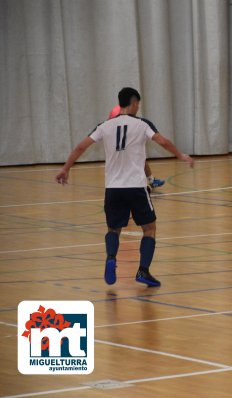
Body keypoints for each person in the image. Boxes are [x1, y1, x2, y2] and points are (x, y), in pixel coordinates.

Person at [55, 87, 194, 287]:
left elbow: (80, 147)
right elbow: (162, 141)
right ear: (134, 102)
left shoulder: (104, 126)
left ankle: (111, 257)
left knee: (114, 229)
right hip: (136, 186)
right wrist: (181, 155)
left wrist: (65, 169)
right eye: (138, 103)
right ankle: (143, 271)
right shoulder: (142, 124)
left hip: (113, 188)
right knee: (149, 229)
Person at [109, 105, 165, 190]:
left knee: (140, 158)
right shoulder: (118, 111)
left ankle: (151, 180)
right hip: (120, 141)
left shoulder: (123, 110)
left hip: (124, 138)